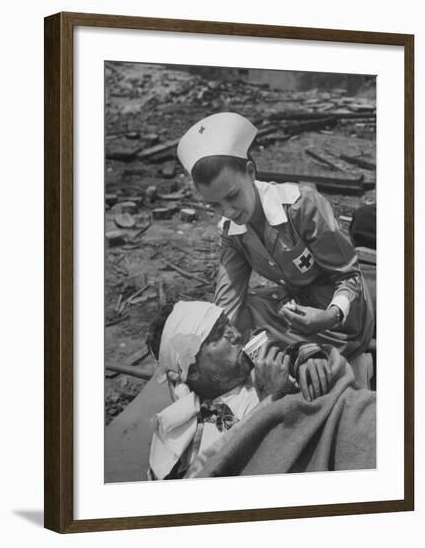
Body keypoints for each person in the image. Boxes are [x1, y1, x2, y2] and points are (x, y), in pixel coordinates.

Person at [177, 113, 374, 361]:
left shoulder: (302, 206)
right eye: (215, 205)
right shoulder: (231, 232)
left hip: (342, 318)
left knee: (267, 347)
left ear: (250, 172)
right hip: (297, 311)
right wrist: (211, 343)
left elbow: (348, 275)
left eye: (233, 196)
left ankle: (307, 352)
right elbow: (229, 299)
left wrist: (330, 315)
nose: (228, 211)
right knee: (240, 314)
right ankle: (295, 352)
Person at [147, 301, 375, 480]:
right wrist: (271, 403)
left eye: (229, 325)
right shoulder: (183, 442)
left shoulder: (268, 366)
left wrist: (310, 356)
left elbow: (339, 392)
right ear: (194, 371)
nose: (236, 335)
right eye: (219, 336)